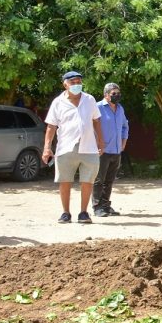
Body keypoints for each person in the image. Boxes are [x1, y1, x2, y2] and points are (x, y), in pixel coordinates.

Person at [42, 71, 105, 224]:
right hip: (66, 148)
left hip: (88, 147)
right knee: (65, 181)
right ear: (65, 84)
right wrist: (47, 148)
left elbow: (96, 121)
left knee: (87, 181)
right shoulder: (58, 102)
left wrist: (101, 141)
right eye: (73, 82)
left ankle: (83, 213)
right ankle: (65, 213)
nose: (77, 85)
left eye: (79, 81)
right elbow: (51, 126)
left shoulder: (89, 99)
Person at [92, 83, 129, 217]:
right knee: (99, 180)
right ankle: (97, 207)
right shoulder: (97, 107)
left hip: (116, 150)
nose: (117, 96)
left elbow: (125, 126)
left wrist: (123, 142)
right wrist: (96, 144)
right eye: (114, 94)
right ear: (106, 95)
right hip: (102, 150)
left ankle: (106, 206)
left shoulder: (120, 109)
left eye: (118, 93)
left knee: (109, 180)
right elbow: (91, 127)